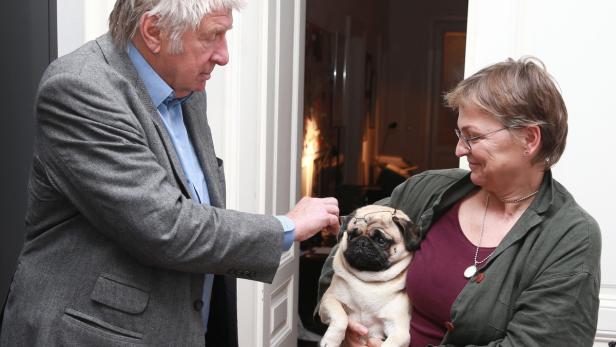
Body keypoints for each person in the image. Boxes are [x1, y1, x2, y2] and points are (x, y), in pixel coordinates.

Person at [0, 1, 340, 346]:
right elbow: (165, 226)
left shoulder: (186, 88)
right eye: (213, 36)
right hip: (91, 334)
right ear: (154, 31)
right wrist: (288, 225)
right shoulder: (80, 89)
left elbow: (198, 202)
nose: (224, 56)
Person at [316, 57, 601, 346]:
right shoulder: (427, 189)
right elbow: (349, 239)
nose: (459, 150)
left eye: (473, 137)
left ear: (529, 138)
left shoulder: (571, 236)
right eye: (459, 135)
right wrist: (350, 324)